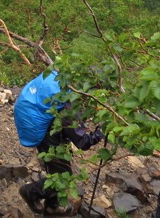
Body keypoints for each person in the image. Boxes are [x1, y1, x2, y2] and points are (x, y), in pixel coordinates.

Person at [15, 70, 104, 216]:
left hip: (48, 130)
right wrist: (98, 135)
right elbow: (82, 142)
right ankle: (30, 192)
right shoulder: (70, 107)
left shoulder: (67, 86)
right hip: (49, 136)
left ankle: (52, 206)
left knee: (58, 169)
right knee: (64, 177)